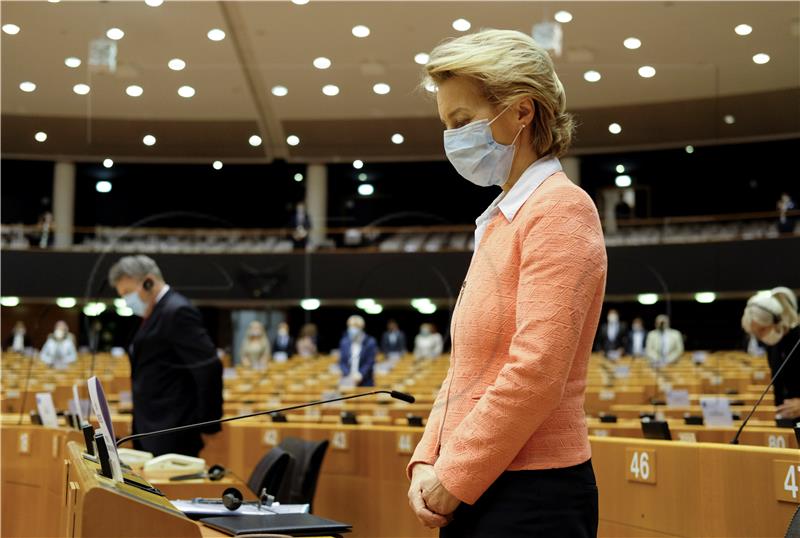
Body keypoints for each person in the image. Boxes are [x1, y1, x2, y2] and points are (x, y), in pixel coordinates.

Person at [407, 29, 606, 537]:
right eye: (446, 124)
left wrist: (454, 473)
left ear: (523, 111)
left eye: (462, 121)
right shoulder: (499, 219)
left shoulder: (561, 209)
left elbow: (537, 369)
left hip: (534, 494)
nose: (452, 138)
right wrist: (428, 459)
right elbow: (468, 369)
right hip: (478, 481)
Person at [108, 255, 222, 457]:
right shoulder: (153, 314)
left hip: (173, 431)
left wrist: (209, 423)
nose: (126, 301)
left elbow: (208, 366)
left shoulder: (177, 311)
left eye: (127, 292)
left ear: (149, 282)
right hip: (150, 428)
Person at [741, 287, 800, 420]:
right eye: (756, 333)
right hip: (787, 420)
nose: (761, 337)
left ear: (777, 321)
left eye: (762, 330)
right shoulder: (773, 346)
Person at [339, 315, 377, 387]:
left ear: (361, 327)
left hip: (365, 381)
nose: (352, 329)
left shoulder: (370, 341)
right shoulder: (344, 341)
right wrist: (348, 374)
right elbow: (342, 362)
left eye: (355, 327)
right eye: (350, 326)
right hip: (348, 380)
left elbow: (370, 362)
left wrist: (360, 375)